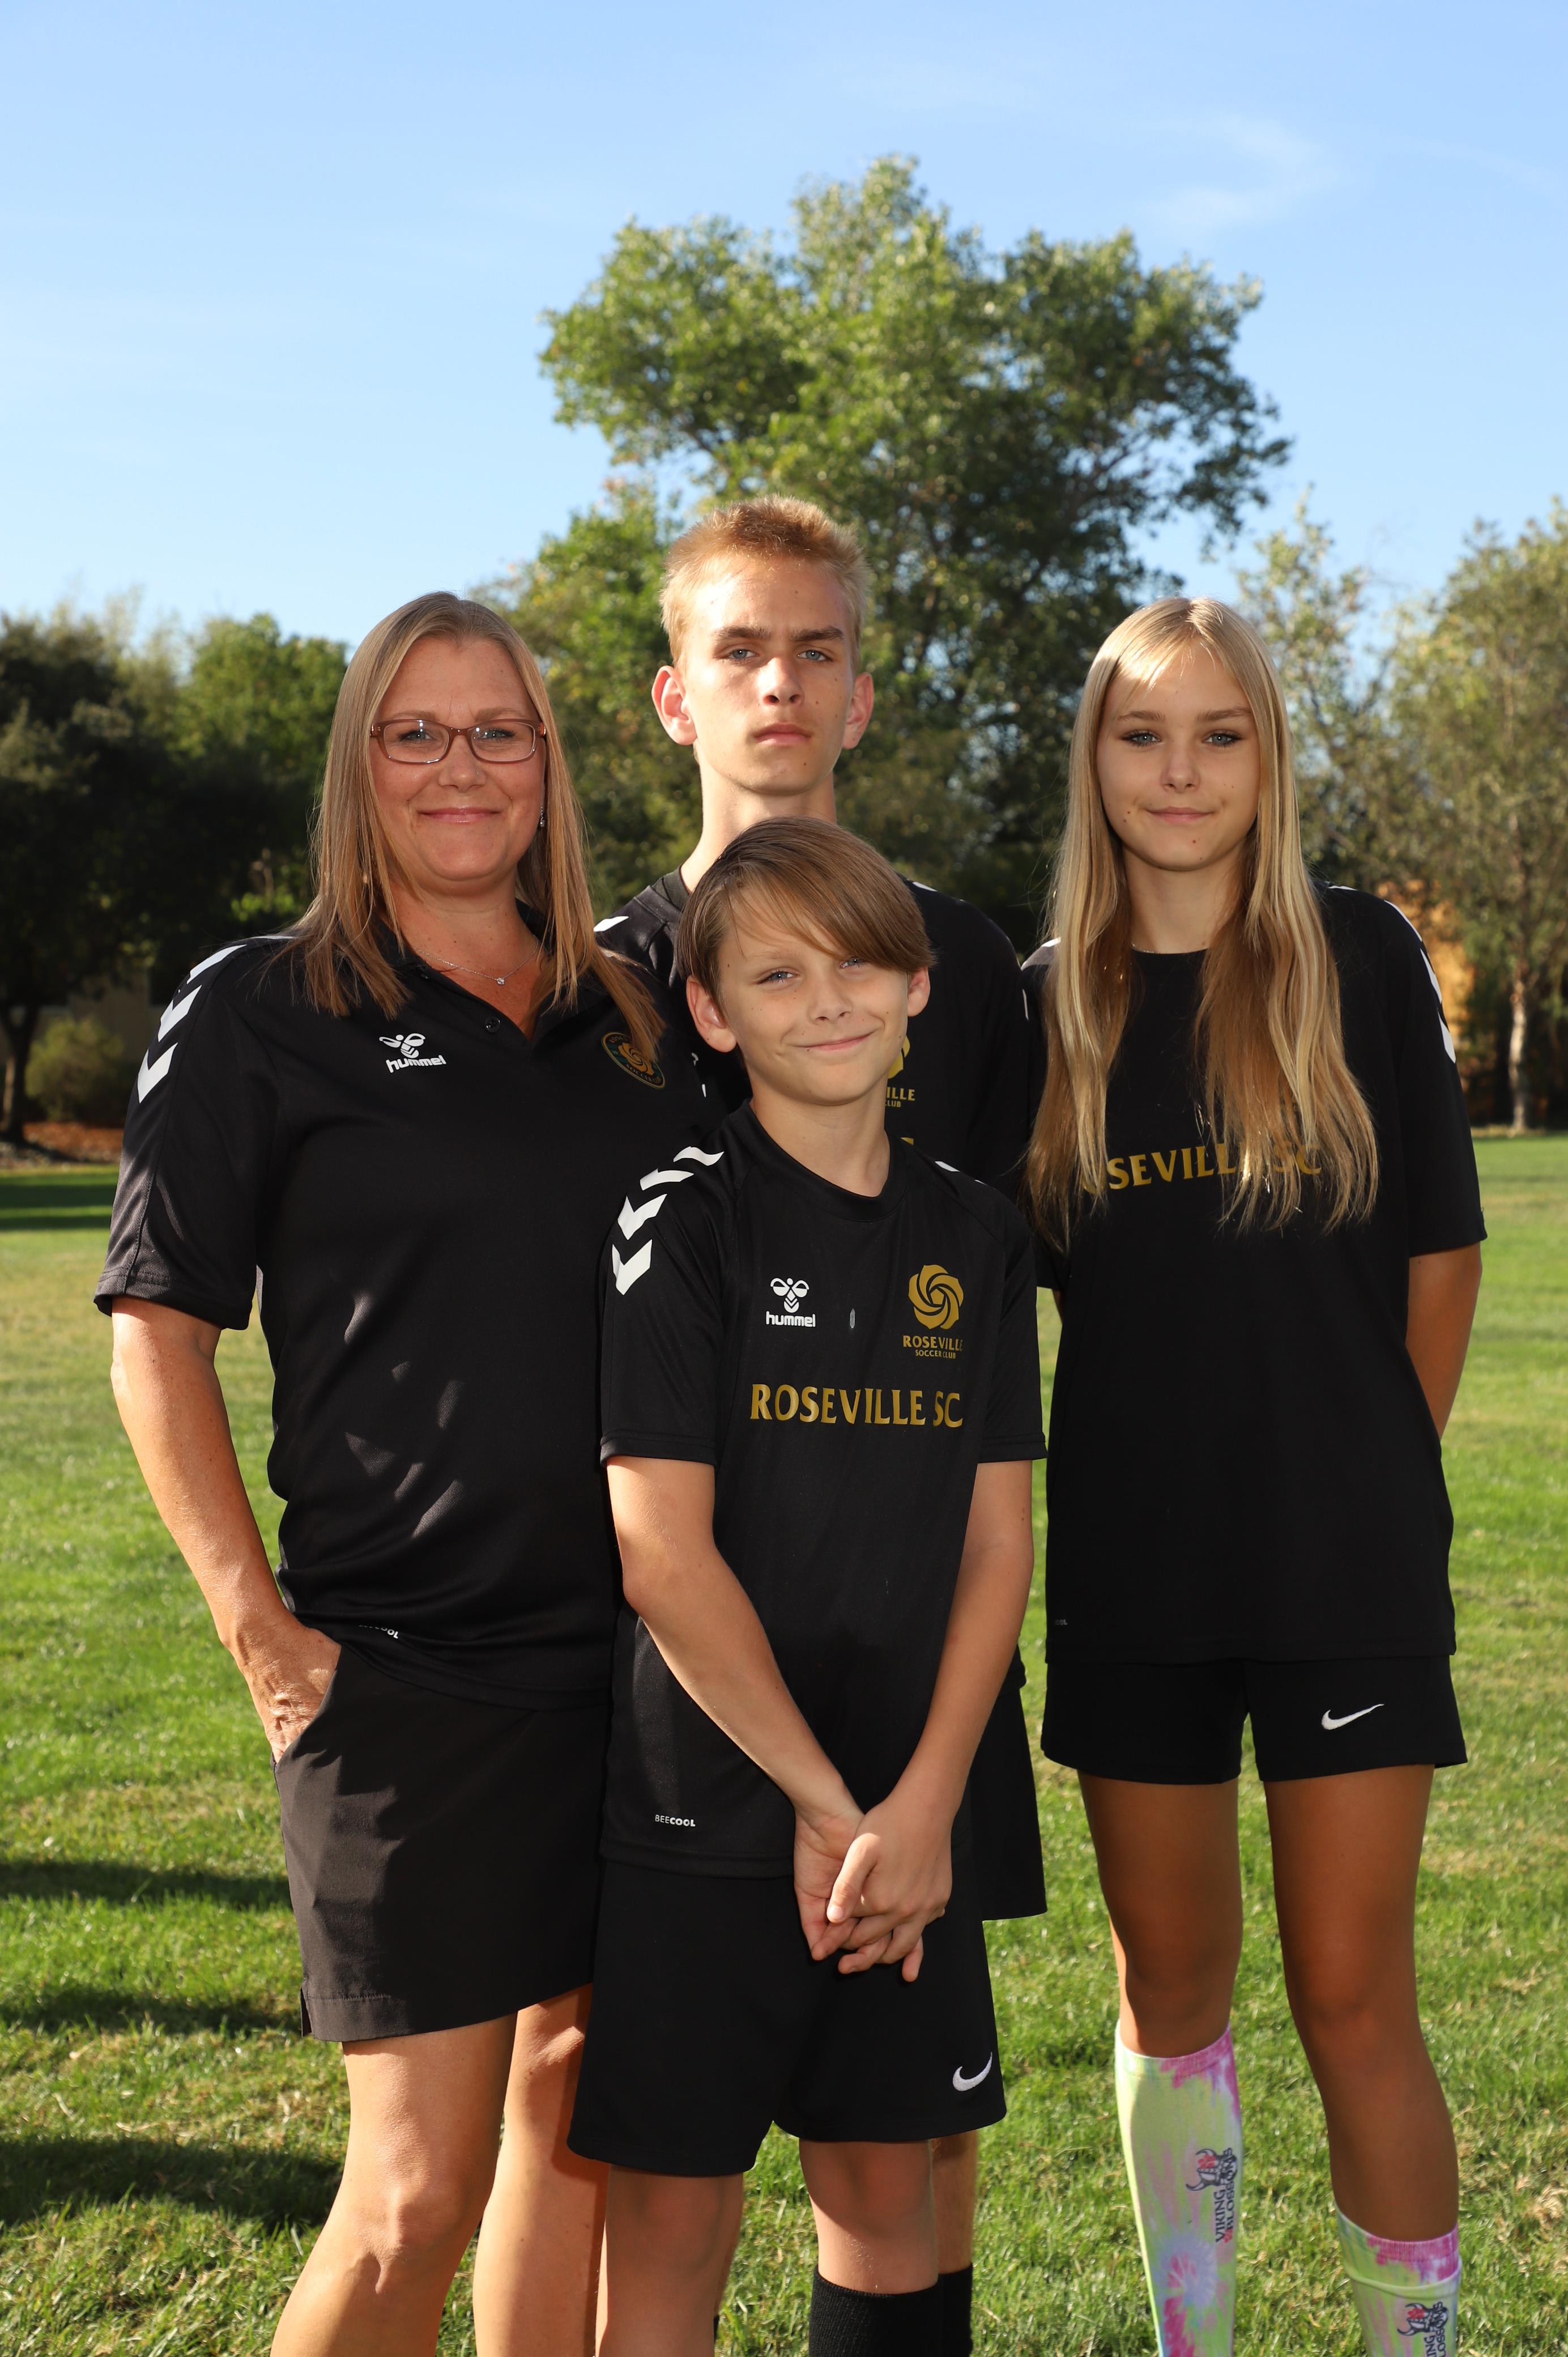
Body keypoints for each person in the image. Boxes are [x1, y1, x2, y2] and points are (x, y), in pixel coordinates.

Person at [98, 593, 710, 2357]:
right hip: (406, 1673)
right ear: (358, 763)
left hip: (645, 1670)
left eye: (497, 730)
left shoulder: (633, 1015)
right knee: (411, 2197)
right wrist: (265, 1642)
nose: (461, 767)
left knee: (578, 2123)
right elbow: (157, 1334)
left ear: (549, 761)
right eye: (415, 732)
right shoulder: (261, 1004)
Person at [594, 497, 1043, 2349]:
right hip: (693, 1725)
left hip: (913, 1712)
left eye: (819, 648)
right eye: (740, 649)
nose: (781, 682)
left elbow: (994, 1499)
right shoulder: (606, 986)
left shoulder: (971, 1023)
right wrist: (811, 1794)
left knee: (899, 2167)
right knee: (639, 2170)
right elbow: (655, 1525)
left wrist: (909, 1800)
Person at [1022, 597, 1483, 2357]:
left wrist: (1370, 1479)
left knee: (1355, 1998)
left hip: (1345, 1572)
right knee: (1168, 1986)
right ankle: (1192, 2340)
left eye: (1221, 735)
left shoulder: (1357, 956)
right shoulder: (1042, 1006)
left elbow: (1441, 1261)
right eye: (1143, 736)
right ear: (1095, 761)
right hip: (1134, 1576)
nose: (1182, 772)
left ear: (1269, 756)